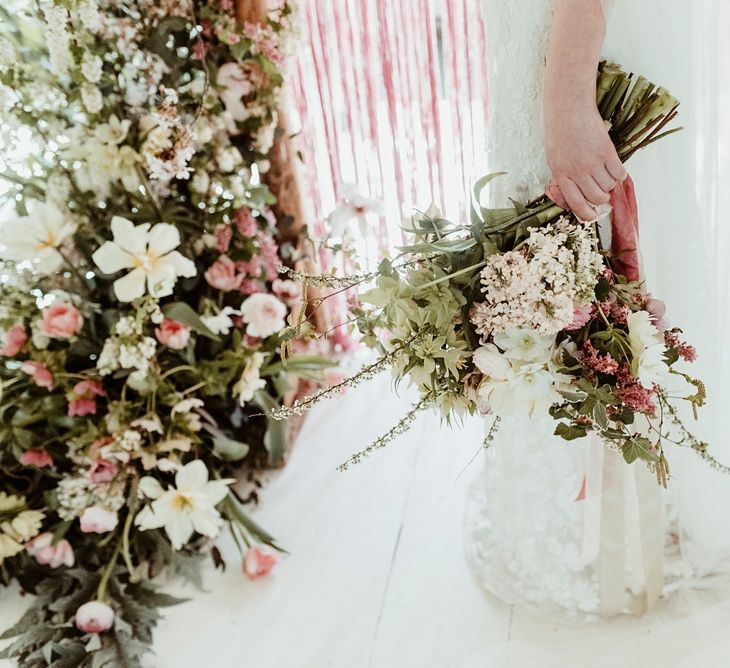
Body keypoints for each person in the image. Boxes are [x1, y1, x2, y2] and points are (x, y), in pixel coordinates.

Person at [465, 0, 730, 624]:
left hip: (572, 41)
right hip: (538, 34)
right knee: (543, 268)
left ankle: (628, 525)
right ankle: (588, 509)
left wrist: (568, 91)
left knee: (591, 254)